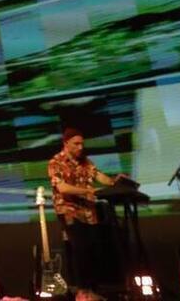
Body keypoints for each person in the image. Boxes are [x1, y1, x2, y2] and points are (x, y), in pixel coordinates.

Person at [48, 128, 128, 300]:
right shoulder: (56, 162)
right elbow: (62, 188)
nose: (80, 147)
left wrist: (114, 182)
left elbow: (98, 175)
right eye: (76, 144)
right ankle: (82, 291)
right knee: (81, 248)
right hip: (69, 210)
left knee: (93, 249)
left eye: (82, 144)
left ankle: (92, 289)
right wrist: (88, 191)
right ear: (66, 143)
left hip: (88, 212)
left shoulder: (85, 162)